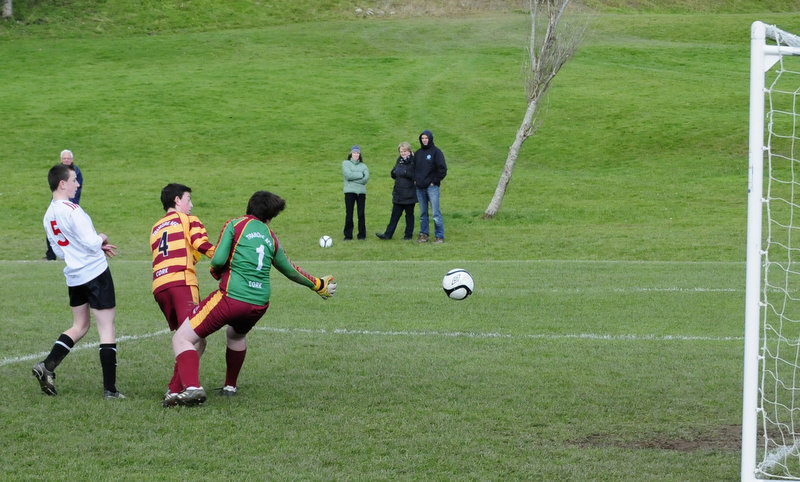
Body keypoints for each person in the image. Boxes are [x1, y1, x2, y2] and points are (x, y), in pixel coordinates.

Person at [163, 190, 337, 407]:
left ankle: (191, 388)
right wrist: (318, 284)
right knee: (235, 334)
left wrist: (216, 271)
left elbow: (217, 259)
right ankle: (230, 386)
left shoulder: (235, 224)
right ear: (269, 217)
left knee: (182, 338)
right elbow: (290, 270)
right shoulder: (270, 236)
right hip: (259, 304)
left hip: (232, 298)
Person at [33, 163, 123, 399]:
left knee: (80, 326)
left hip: (74, 276)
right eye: (74, 180)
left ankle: (47, 366)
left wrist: (89, 246)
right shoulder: (73, 210)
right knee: (106, 327)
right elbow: (92, 242)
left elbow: (61, 251)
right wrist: (102, 237)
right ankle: (110, 390)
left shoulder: (48, 215)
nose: (77, 184)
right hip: (95, 273)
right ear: (62, 183)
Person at [150, 183, 216, 403]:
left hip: (160, 286)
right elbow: (202, 245)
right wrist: (228, 256)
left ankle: (177, 388)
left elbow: (184, 253)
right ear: (177, 200)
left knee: (184, 336)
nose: (191, 204)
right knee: (195, 338)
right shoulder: (188, 219)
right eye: (188, 199)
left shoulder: (156, 227)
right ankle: (182, 388)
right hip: (182, 283)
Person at [44, 149, 83, 260]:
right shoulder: (57, 171)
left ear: (72, 160)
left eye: (68, 158)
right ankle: (51, 255)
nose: (66, 160)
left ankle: (74, 254)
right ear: (61, 159)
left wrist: (71, 204)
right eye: (64, 158)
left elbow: (77, 189)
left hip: (70, 204)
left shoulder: (76, 171)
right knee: (51, 227)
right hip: (57, 203)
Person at [376, 142, 416, 240]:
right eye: (401, 151)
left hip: (409, 193)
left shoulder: (413, 161)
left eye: (404, 151)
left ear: (409, 151)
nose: (402, 153)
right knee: (394, 216)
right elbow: (395, 172)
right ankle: (387, 235)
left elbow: (414, 175)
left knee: (409, 216)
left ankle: (408, 235)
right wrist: (393, 173)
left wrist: (404, 172)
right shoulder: (400, 160)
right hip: (398, 193)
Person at [413, 130, 447, 244]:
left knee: (435, 213)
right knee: (423, 213)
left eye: (426, 138)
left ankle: (439, 236)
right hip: (420, 187)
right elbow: (413, 168)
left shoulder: (436, 152)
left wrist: (434, 181)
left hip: (432, 187)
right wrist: (415, 180)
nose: (424, 140)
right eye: (422, 138)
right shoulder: (418, 153)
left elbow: (442, 169)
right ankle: (424, 235)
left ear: (430, 138)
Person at [342, 145, 369, 241]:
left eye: (357, 153)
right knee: (349, 213)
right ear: (351, 154)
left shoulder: (364, 166)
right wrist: (360, 175)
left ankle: (362, 235)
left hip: (361, 193)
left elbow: (365, 179)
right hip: (349, 192)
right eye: (354, 152)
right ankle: (348, 235)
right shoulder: (346, 163)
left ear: (360, 154)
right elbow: (348, 175)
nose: (356, 154)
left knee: (361, 214)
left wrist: (354, 178)